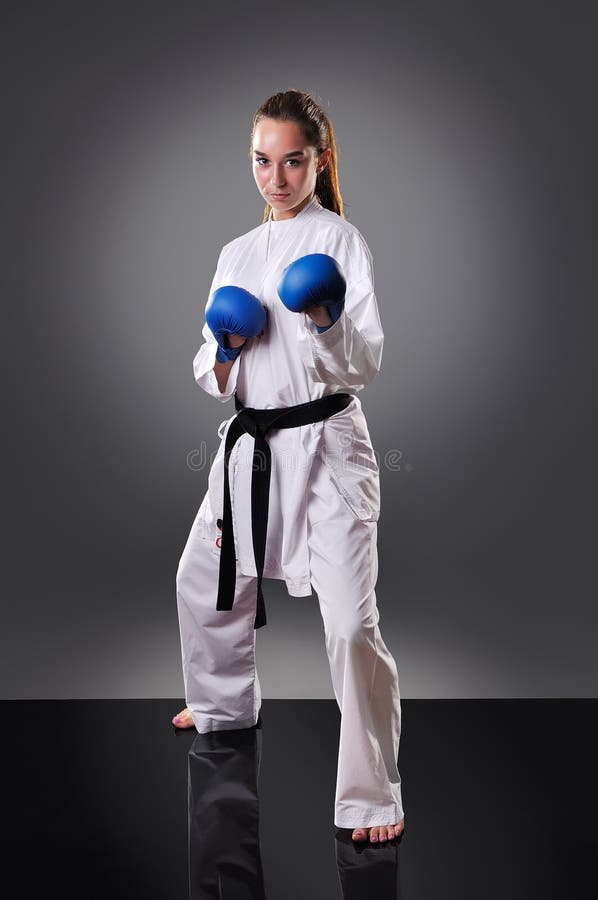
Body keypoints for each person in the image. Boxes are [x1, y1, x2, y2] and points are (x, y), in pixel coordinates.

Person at [173, 89, 405, 845]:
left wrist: (328, 319)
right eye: (262, 162)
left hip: (329, 447)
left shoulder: (342, 242)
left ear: (319, 161)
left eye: (293, 161)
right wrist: (229, 351)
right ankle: (220, 706)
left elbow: (364, 364)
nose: (276, 178)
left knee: (348, 626)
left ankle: (372, 796)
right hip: (251, 444)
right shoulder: (234, 253)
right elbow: (206, 368)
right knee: (204, 583)